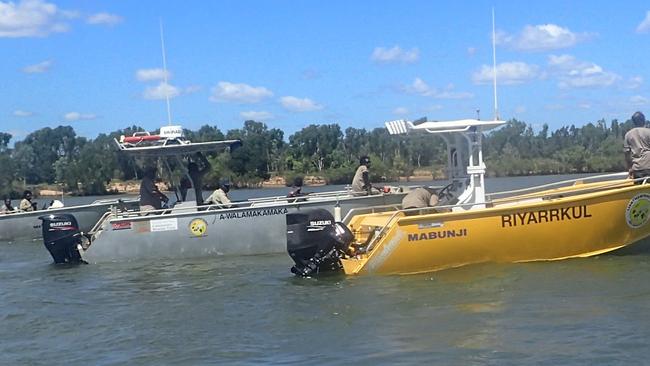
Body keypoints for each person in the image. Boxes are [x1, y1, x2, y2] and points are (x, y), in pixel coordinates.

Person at [624, 111, 650, 181]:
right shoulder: (648, 132)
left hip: (637, 168)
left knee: (640, 191)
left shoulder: (628, 134)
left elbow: (627, 153)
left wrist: (630, 168)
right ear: (644, 120)